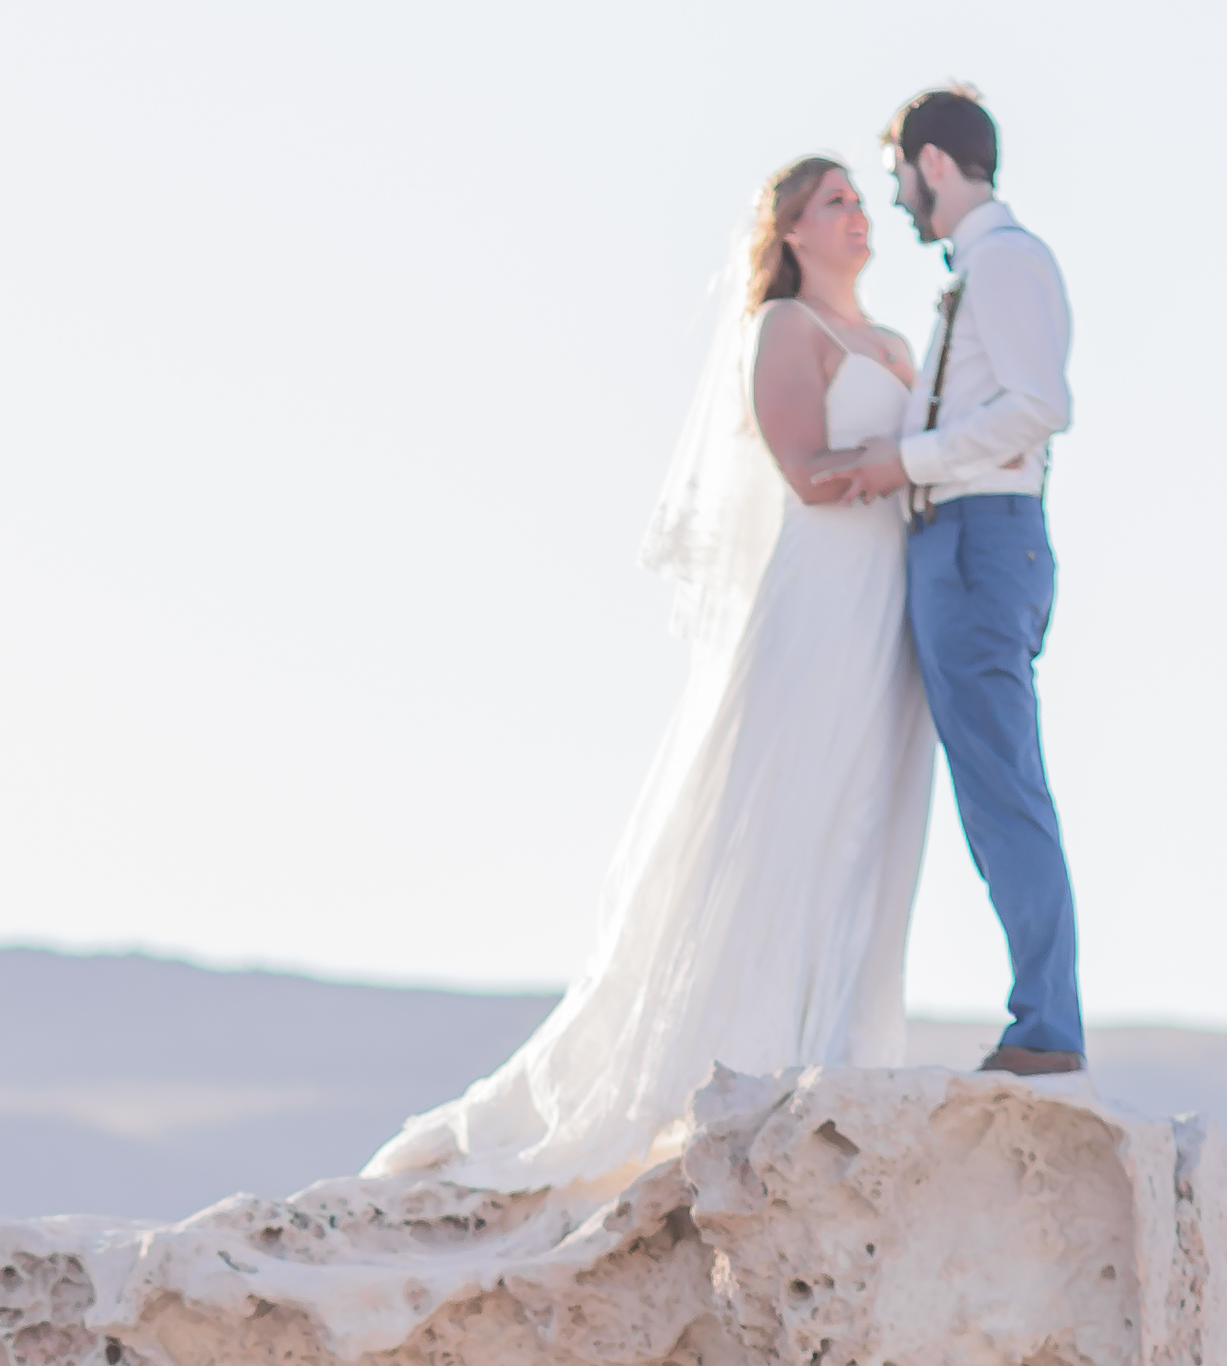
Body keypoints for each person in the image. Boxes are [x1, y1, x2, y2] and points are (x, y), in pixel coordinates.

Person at [366, 153, 939, 1187]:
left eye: (861, 200)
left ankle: (838, 1050)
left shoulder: (898, 345)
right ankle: (728, 1060)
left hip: (890, 602)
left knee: (869, 811)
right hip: (817, 595)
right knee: (781, 806)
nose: (860, 216)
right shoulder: (784, 332)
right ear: (793, 231)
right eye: (837, 203)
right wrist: (903, 466)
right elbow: (806, 475)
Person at [810, 87, 1083, 1076]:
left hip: (977, 537)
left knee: (1002, 785)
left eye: (896, 180)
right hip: (957, 539)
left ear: (932, 162)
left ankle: (1047, 1025)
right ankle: (1041, 1017)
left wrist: (909, 459)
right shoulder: (981, 269)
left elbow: (1036, 406)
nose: (896, 205)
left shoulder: (1004, 263)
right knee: (983, 786)